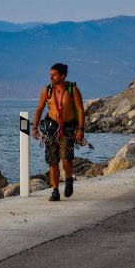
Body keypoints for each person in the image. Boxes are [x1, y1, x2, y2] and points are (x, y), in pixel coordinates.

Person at [32, 63, 85, 201]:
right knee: (52, 160)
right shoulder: (47, 90)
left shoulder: (72, 90)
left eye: (54, 75)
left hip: (68, 128)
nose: (51, 77)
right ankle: (55, 191)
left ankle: (68, 179)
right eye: (50, 75)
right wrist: (35, 127)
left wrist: (81, 129)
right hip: (51, 127)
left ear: (63, 75)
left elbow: (80, 109)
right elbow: (39, 109)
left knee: (66, 158)